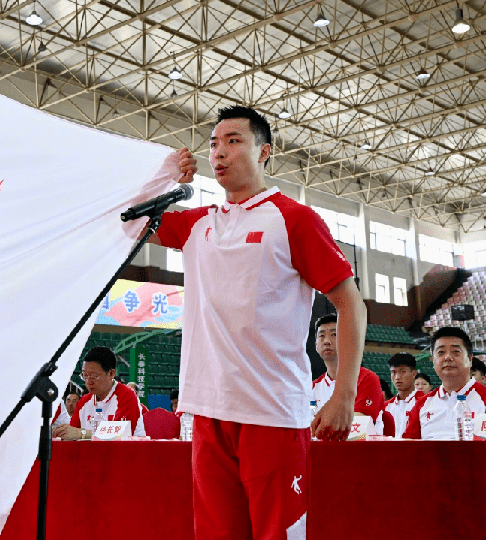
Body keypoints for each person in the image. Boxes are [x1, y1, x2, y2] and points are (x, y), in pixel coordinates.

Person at [152, 106, 366, 539]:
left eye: (234, 141)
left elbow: (351, 305)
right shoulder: (197, 223)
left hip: (272, 415)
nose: (219, 152)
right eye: (213, 144)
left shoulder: (294, 219)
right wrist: (163, 177)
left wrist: (344, 394)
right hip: (209, 413)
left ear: (264, 151)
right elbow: (128, 217)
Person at [403, 327, 486, 440]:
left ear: (470, 359)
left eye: (456, 351)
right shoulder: (421, 405)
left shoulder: (483, 398)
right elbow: (409, 448)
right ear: (433, 361)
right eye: (440, 352)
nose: (447, 357)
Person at [51, 347, 147, 439]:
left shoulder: (127, 396)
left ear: (111, 374)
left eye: (94, 376)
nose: (88, 381)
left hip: (126, 453)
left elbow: (120, 434)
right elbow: (72, 433)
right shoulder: (84, 402)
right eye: (85, 376)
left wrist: (82, 433)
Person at [313, 314, 383, 422]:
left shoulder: (367, 379)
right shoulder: (312, 388)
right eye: (321, 336)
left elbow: (359, 424)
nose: (327, 341)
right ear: (316, 345)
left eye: (334, 334)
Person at [381, 352, 424, 438]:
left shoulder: (425, 402)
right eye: (393, 372)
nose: (397, 377)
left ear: (414, 373)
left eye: (402, 372)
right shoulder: (385, 407)